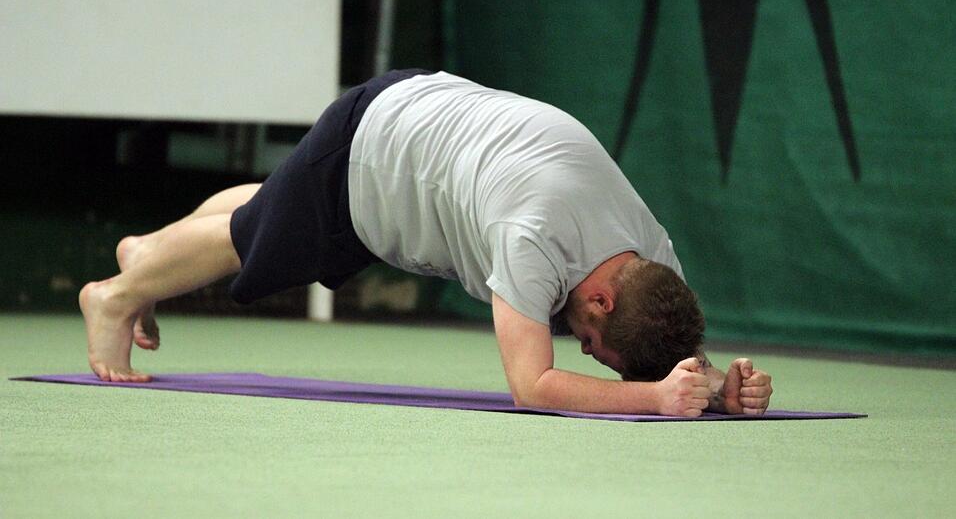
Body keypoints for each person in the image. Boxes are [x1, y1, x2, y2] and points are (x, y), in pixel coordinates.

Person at [80, 69, 773, 417]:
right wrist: (654, 400)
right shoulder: (533, 236)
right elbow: (532, 386)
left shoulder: (650, 257)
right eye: (595, 341)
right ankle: (115, 297)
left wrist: (716, 385)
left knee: (270, 209)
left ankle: (148, 256)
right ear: (598, 295)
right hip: (373, 153)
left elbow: (668, 357)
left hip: (417, 121)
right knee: (255, 238)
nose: (585, 349)